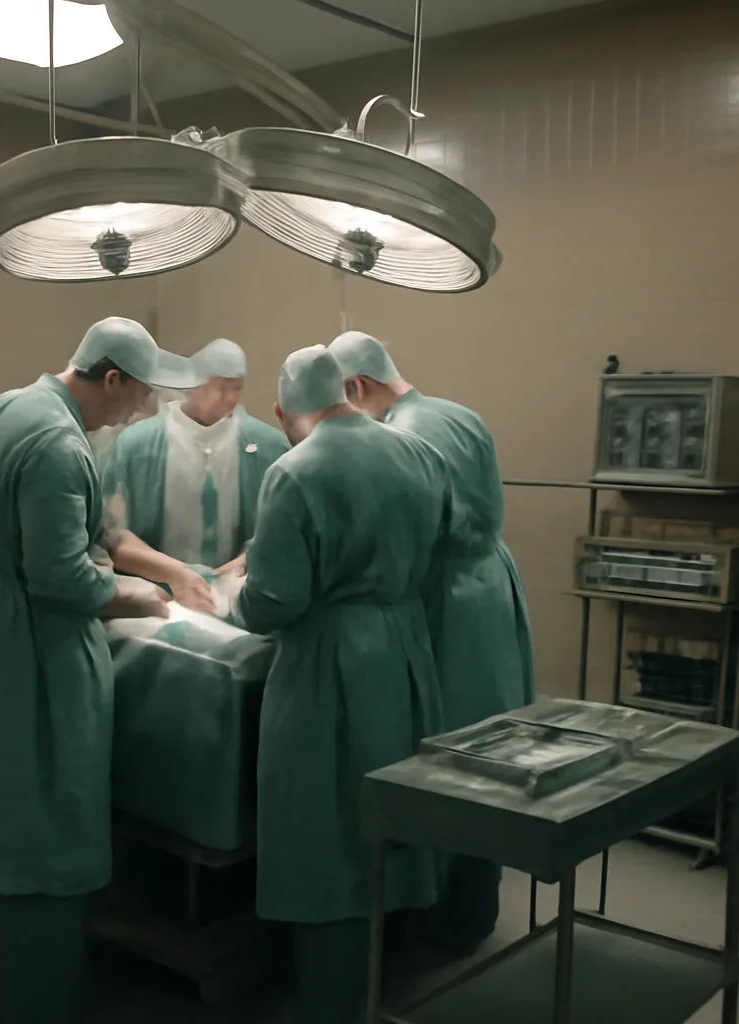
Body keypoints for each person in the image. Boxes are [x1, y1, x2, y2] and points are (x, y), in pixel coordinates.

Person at [0, 316, 196, 1024]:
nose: (138, 412)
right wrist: (137, 593)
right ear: (111, 378)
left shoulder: (10, 408)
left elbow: (27, 536)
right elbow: (60, 580)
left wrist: (112, 561)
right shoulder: (57, 442)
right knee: (37, 818)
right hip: (32, 657)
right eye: (138, 397)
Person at [229, 345, 449, 1024]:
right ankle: (383, 980)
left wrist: (228, 594)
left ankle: (328, 1001)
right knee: (387, 817)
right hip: (405, 652)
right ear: (347, 392)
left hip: (329, 666)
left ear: (281, 412)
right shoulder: (418, 454)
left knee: (323, 830)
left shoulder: (295, 471)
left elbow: (273, 600)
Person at [328, 329, 535, 954]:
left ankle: (434, 921)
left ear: (356, 388)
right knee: (494, 744)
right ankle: (477, 908)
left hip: (444, 601)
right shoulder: (460, 416)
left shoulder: (396, 438)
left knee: (445, 756)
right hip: (493, 587)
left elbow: (393, 538)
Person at [102, 337, 289, 595]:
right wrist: (176, 573)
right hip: (158, 597)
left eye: (237, 388)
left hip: (240, 597)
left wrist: (244, 563)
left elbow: (284, 534)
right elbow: (113, 536)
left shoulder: (268, 447)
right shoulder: (137, 446)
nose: (230, 398)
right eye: (222, 387)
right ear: (195, 384)